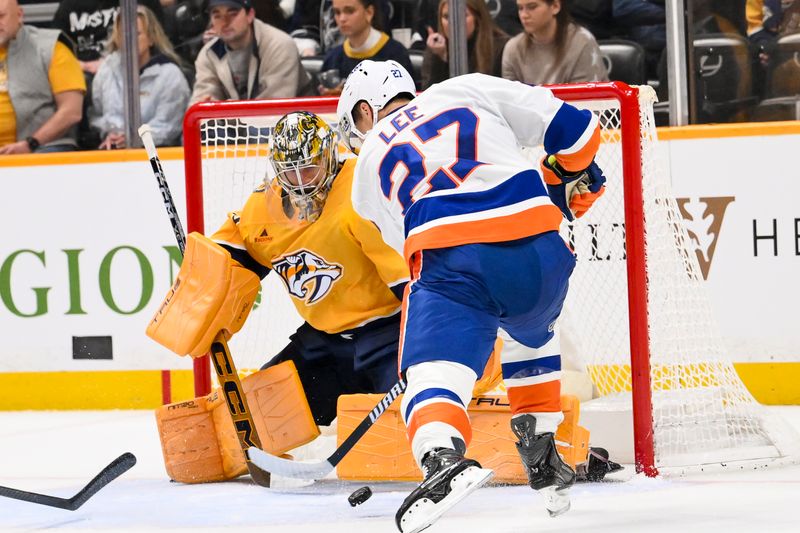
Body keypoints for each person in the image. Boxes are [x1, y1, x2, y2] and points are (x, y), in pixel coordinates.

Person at [337, 59, 607, 532]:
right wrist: (565, 177)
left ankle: (440, 457)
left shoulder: (364, 171)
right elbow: (581, 133)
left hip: (453, 261)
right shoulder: (468, 88)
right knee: (531, 327)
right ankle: (542, 447)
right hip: (542, 253)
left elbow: (424, 236)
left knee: (430, 369)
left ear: (365, 112)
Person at [150, 110, 409, 430]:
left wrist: (431, 343)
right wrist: (202, 292)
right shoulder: (264, 208)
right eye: (290, 173)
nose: (301, 183)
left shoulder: (363, 190)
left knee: (403, 430)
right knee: (252, 423)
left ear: (329, 157)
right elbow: (234, 258)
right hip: (324, 346)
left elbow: (411, 282)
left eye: (309, 169)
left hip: (390, 338)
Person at [90, 5, 190, 149]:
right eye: (123, 33)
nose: (128, 39)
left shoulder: (170, 74)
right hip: (112, 149)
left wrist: (135, 138)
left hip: (156, 152)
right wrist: (110, 133)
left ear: (151, 38)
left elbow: (169, 125)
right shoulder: (107, 69)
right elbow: (96, 114)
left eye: (136, 34)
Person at [0, 0, 85, 154]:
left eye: (1, 16)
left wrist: (30, 144)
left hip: (42, 147)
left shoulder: (51, 47)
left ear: (19, 15)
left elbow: (72, 112)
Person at [189, 0, 314, 105]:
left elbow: (273, 107)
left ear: (250, 15)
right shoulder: (208, 54)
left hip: (296, 126)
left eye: (232, 14)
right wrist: (206, 105)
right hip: (237, 128)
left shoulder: (279, 44)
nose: (225, 22)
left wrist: (222, 114)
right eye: (217, 16)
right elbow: (201, 100)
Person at [318, 0, 412, 95]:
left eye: (350, 11)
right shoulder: (332, 58)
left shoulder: (396, 54)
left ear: (369, 12)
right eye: (337, 12)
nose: (342, 18)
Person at [502, 0, 608, 84]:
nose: (524, 15)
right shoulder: (512, 48)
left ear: (555, 6)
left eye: (532, 7)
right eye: (520, 8)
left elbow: (587, 99)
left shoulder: (582, 42)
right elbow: (511, 100)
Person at [51, 0, 165, 76]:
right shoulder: (69, 5)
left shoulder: (142, 2)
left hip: (132, 71)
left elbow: (157, 40)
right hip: (81, 75)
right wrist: (78, 65)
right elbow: (55, 47)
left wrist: (111, 63)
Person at [421, 0, 509, 89]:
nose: (452, 22)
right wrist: (440, 58)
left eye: (462, 16)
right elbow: (428, 94)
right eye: (446, 16)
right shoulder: (436, 47)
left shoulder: (501, 47)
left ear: (478, 18)